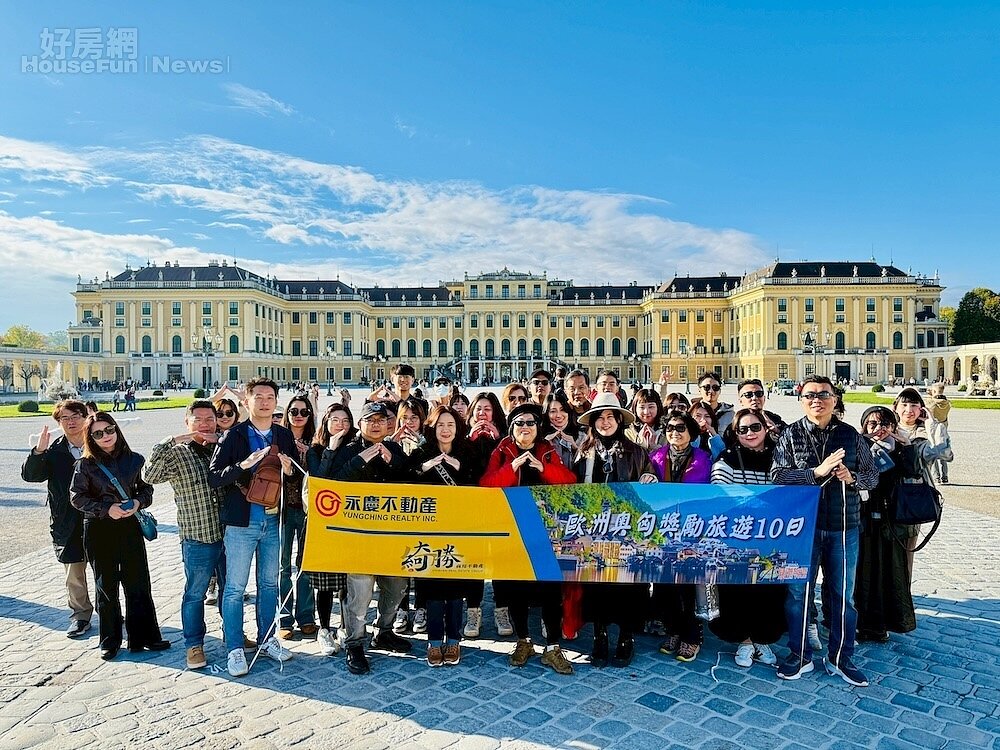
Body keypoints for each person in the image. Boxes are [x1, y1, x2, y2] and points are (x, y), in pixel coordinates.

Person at [771, 375, 879, 687]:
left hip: (844, 526)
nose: (817, 400)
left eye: (824, 394)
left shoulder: (852, 436)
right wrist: (814, 473)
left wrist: (852, 478)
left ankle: (840, 658)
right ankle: (800, 654)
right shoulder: (790, 436)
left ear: (834, 399)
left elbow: (872, 476)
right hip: (802, 530)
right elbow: (777, 475)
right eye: (810, 395)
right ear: (801, 400)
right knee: (798, 594)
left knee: (843, 596)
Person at [209, 377, 298, 677]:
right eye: (257, 396)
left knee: (269, 584)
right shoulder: (234, 436)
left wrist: (290, 470)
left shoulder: (283, 436)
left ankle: (267, 637)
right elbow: (214, 477)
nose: (264, 401)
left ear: (276, 402)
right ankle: (234, 647)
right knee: (234, 588)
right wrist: (244, 465)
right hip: (242, 521)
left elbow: (297, 476)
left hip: (273, 520)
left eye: (269, 396)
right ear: (246, 402)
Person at [481, 403, 577, 674]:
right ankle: (523, 640)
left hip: (545, 530)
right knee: (517, 589)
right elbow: (486, 484)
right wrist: (512, 467)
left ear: (538, 428)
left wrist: (542, 468)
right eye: (520, 423)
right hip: (512, 527)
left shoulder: (546, 451)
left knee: (550, 589)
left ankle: (553, 647)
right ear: (512, 428)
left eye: (531, 423)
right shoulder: (503, 450)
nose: (525, 428)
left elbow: (570, 481)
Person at [69, 412, 167, 660]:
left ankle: (144, 637)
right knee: (106, 585)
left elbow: (146, 490)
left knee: (138, 582)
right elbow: (76, 497)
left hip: (129, 526)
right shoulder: (85, 464)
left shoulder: (134, 459)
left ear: (116, 430)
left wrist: (137, 502)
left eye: (109, 430)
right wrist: (106, 509)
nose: (105, 436)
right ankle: (110, 640)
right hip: (99, 528)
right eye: (98, 433)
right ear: (90, 437)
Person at [326, 401, 411, 675]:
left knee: (397, 586)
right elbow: (333, 482)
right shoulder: (347, 450)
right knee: (360, 592)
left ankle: (384, 631)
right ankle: (354, 642)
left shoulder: (395, 448)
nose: (376, 424)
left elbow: (412, 480)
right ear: (359, 424)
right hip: (359, 537)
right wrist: (360, 461)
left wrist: (393, 460)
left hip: (391, 536)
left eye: (381, 420)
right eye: (369, 420)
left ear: (388, 425)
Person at [572, 393, 658, 668]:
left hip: (626, 531)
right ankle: (599, 634)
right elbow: (575, 489)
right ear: (593, 422)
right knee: (597, 585)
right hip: (594, 530)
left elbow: (649, 479)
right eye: (600, 417)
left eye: (611, 417)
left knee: (627, 586)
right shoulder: (584, 451)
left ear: (619, 420)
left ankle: (626, 636)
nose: (605, 422)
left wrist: (650, 477)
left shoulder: (636, 450)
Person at [143, 400, 226, 670]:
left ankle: (233, 634)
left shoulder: (223, 447)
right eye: (198, 419)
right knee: (195, 593)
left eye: (209, 418)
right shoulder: (178, 453)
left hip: (229, 534)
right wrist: (172, 440)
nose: (205, 424)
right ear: (187, 422)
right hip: (197, 535)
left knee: (230, 591)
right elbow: (150, 475)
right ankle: (194, 644)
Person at [709, 408, 785, 668]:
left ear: (765, 428)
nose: (750, 433)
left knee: (768, 591)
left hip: (772, 538)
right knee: (738, 591)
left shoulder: (780, 457)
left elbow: (790, 489)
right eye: (743, 429)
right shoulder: (727, 458)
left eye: (755, 427)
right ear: (735, 433)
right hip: (738, 537)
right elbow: (721, 493)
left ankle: (763, 638)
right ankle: (743, 640)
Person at [408, 405, 479, 666]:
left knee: (456, 588)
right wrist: (427, 466)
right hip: (430, 529)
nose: (446, 430)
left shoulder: (468, 452)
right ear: (433, 428)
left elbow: (480, 484)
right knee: (433, 587)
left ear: (457, 428)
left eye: (450, 425)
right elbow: (408, 481)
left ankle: (454, 640)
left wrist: (457, 466)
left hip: (460, 529)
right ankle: (434, 640)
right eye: (440, 425)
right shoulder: (422, 453)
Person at [21, 399, 94, 638]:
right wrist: (39, 452)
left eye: (76, 416)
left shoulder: (99, 443)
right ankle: (80, 616)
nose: (71, 422)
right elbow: (31, 476)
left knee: (108, 569)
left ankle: (111, 611)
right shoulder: (54, 451)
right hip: (67, 520)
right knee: (74, 572)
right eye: (65, 418)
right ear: (59, 422)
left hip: (100, 516)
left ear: (86, 417)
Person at [649, 411, 712, 662]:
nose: (675, 432)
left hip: (691, 531)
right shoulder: (655, 456)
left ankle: (692, 635)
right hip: (662, 531)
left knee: (687, 586)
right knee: (664, 586)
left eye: (681, 428)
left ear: (691, 433)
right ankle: (673, 629)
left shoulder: (703, 459)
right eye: (671, 428)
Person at [305, 403, 356, 656]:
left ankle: (346, 627)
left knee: (347, 580)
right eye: (334, 419)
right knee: (325, 582)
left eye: (345, 420)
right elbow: (319, 480)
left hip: (350, 521)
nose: (340, 424)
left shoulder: (356, 448)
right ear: (325, 422)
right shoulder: (314, 451)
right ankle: (324, 629)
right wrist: (331, 450)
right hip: (324, 522)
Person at [464, 391, 509, 638]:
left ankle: (502, 608)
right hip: (472, 509)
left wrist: (497, 442)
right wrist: (469, 442)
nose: (483, 414)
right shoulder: (462, 441)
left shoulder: (505, 440)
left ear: (495, 414)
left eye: (488, 410)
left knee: (500, 560)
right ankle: (473, 610)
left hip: (500, 508)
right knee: (474, 560)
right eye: (478, 410)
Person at [276, 395, 318, 640]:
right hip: (282, 510)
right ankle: (284, 618)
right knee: (282, 566)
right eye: (294, 411)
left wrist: (308, 455)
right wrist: (288, 468)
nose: (299, 415)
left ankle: (306, 616)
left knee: (305, 565)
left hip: (307, 511)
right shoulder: (278, 440)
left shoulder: (315, 441)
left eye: (304, 411)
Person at [926, 383, 952, 483]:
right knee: (943, 453)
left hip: (933, 431)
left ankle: (936, 477)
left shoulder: (932, 404)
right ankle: (945, 476)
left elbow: (927, 407)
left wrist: (931, 396)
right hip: (944, 429)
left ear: (935, 392)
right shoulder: (947, 404)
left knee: (934, 454)